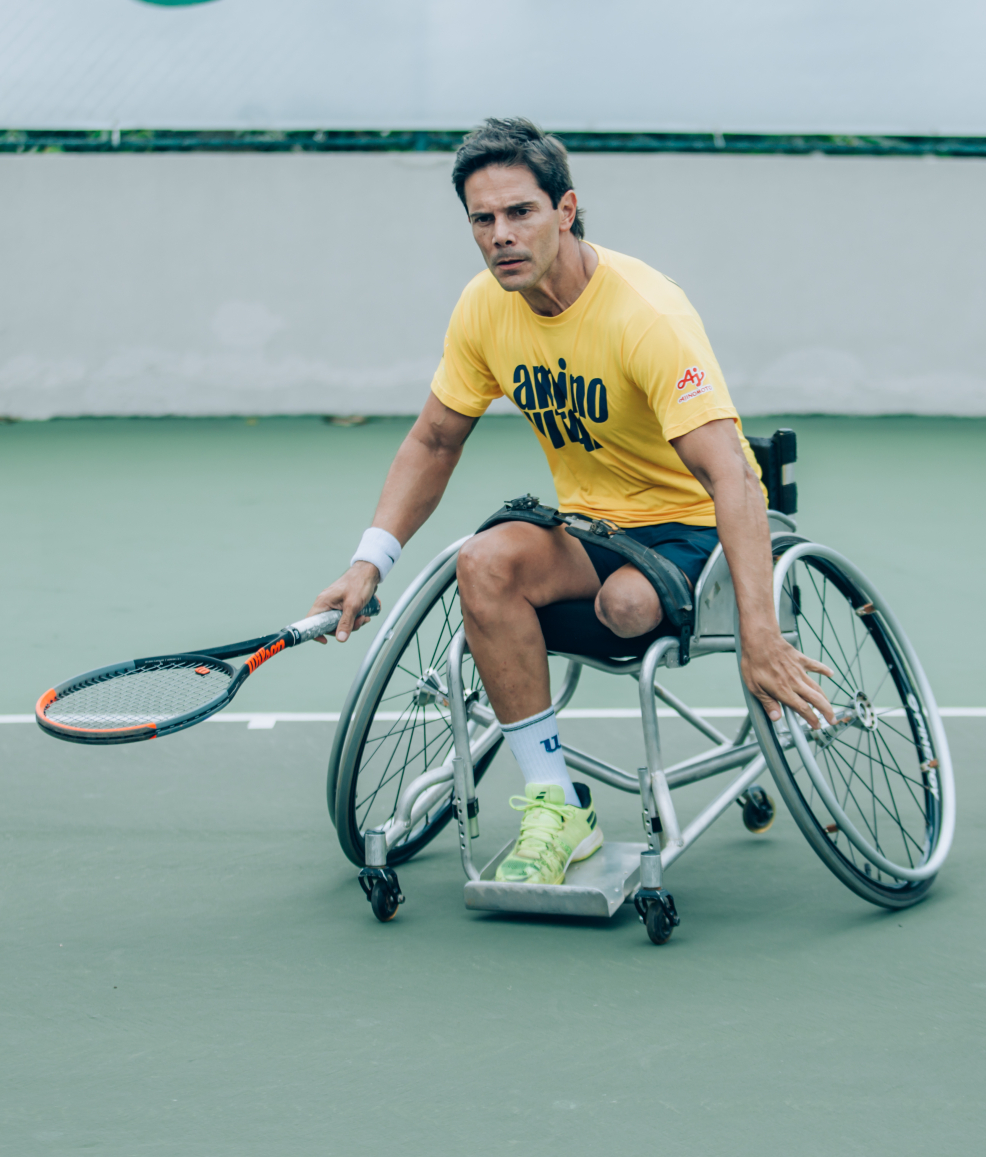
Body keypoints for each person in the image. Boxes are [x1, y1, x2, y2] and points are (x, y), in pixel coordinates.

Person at [310, 117, 832, 885]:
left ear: (566, 209)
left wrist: (760, 635)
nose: (500, 237)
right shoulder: (484, 309)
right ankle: (556, 804)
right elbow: (433, 441)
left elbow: (734, 477)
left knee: (626, 608)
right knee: (483, 563)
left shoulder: (645, 315)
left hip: (689, 529)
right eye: (482, 220)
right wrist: (368, 562)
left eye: (519, 212)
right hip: (591, 528)